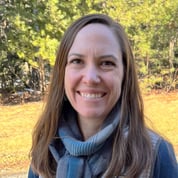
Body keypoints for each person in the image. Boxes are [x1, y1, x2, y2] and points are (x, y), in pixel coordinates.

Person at [28, 14, 178, 178]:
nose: (90, 78)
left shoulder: (155, 155)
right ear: (62, 73)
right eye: (77, 61)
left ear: (124, 75)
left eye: (106, 63)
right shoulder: (46, 150)